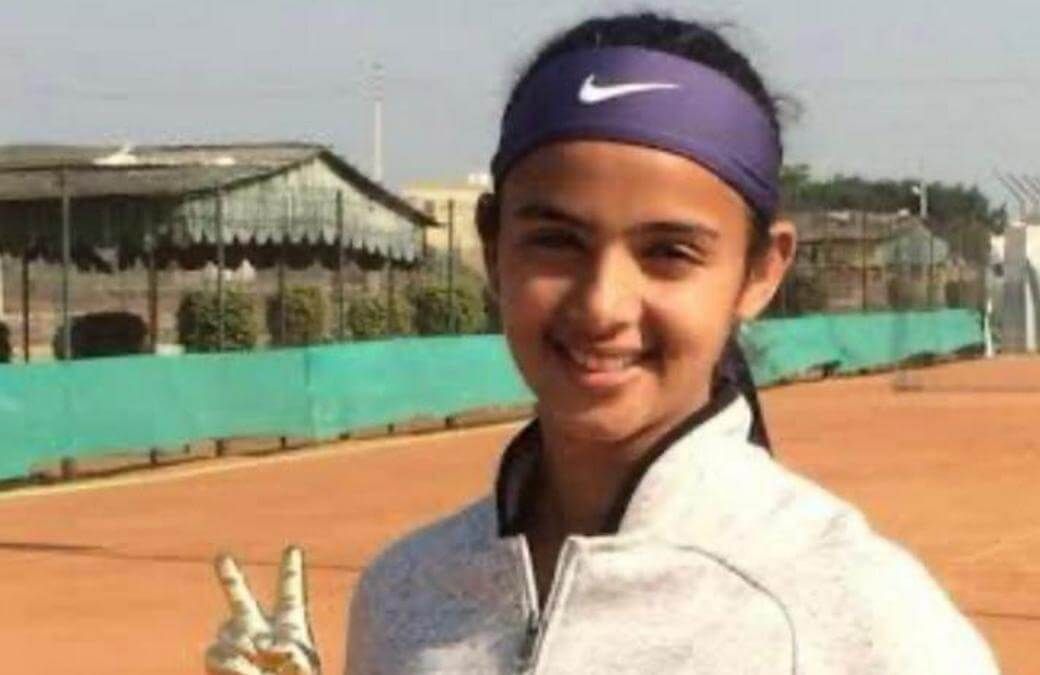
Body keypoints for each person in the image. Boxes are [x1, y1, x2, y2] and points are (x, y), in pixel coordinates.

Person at [207, 11, 999, 675]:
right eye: (556, 241)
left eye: (669, 253)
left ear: (760, 271)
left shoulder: (854, 614)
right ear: (493, 246)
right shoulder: (406, 593)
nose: (601, 303)